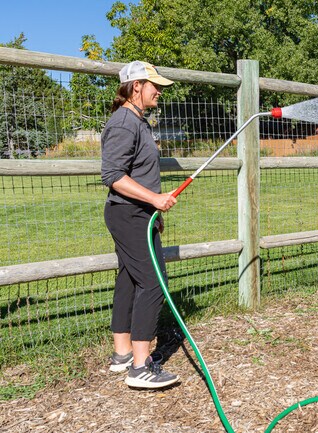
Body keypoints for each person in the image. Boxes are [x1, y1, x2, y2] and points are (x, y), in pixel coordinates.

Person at [101, 60, 179, 389]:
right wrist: (155, 200)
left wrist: (154, 211)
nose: (159, 91)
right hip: (128, 213)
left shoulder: (138, 121)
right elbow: (113, 176)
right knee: (152, 283)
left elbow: (138, 172)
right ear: (136, 87)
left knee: (130, 281)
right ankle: (140, 367)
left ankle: (122, 354)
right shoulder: (124, 123)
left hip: (139, 214)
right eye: (154, 85)